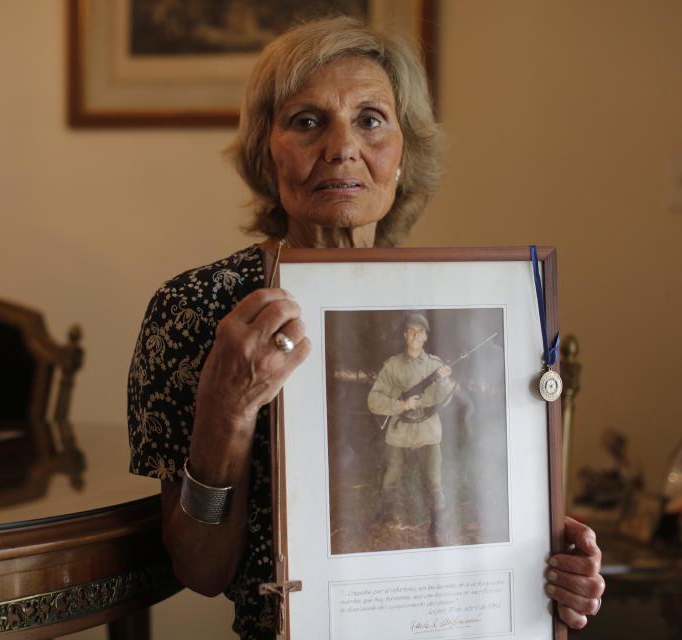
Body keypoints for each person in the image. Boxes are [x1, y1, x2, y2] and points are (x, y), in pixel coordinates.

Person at [127, 16, 605, 639]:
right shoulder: (196, 309)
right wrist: (225, 409)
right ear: (266, 155)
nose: (341, 147)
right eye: (306, 121)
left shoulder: (463, 306)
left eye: (371, 119)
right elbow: (200, 568)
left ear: (403, 154)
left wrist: (542, 559)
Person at [367, 312, 454, 538]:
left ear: (426, 337)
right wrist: (400, 405)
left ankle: (438, 522)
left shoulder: (436, 365)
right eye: (411, 331)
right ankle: (388, 514)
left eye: (421, 332)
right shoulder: (393, 366)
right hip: (400, 430)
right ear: (406, 335)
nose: (416, 336)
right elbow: (373, 400)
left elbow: (444, 398)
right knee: (391, 476)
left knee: (434, 480)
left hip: (428, 430)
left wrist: (444, 380)